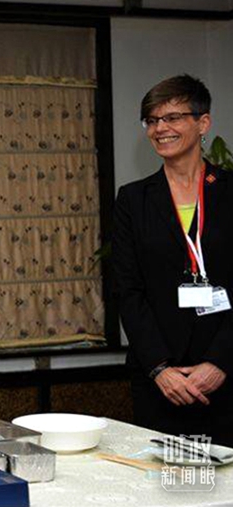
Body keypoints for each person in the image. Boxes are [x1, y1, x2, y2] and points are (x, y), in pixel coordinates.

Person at [113, 74, 233, 446]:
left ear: (203, 123)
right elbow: (128, 291)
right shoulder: (133, 200)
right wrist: (160, 368)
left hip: (227, 374)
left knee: (223, 478)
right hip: (159, 381)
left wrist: (220, 363)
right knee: (165, 477)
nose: (160, 128)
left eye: (173, 117)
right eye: (152, 120)